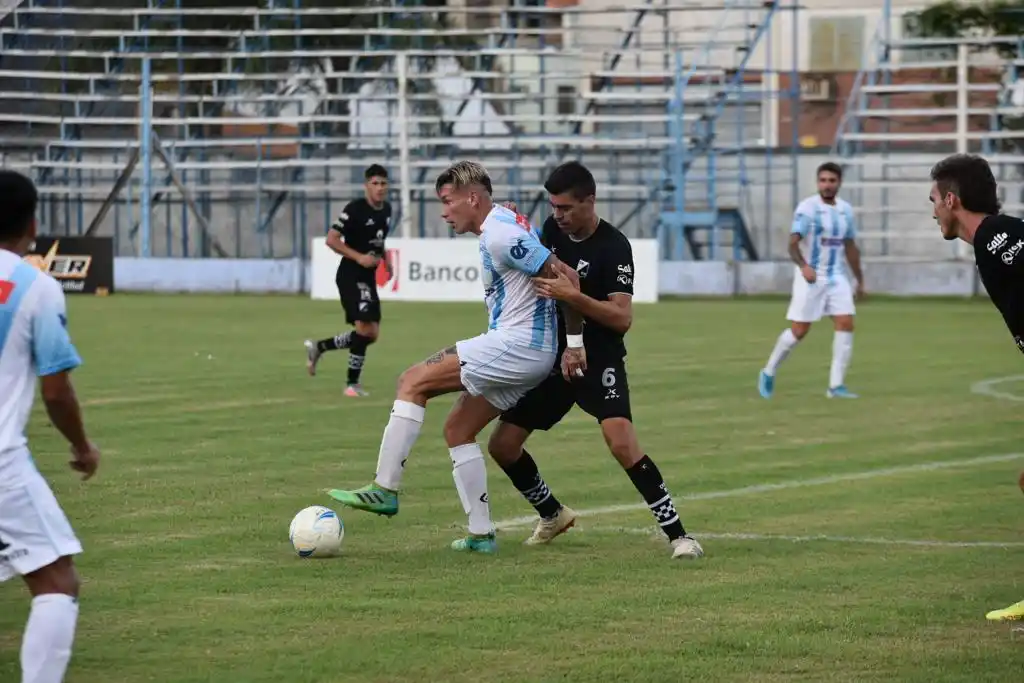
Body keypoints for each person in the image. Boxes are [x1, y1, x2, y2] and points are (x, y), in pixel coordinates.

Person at [326, 160, 585, 554]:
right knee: (458, 430)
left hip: (520, 346)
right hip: (526, 351)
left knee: (412, 381)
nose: (444, 212)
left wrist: (575, 343)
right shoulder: (501, 223)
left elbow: (566, 274)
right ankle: (481, 534)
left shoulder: (498, 233)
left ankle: (384, 488)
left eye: (447, 202)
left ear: (473, 198)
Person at [489, 162, 704, 560]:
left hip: (599, 357)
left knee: (621, 442)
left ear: (590, 201)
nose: (558, 216)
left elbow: (621, 318)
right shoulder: (552, 232)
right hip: (552, 357)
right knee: (502, 446)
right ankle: (551, 513)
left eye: (567, 208)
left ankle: (679, 536)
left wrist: (576, 298)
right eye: (553, 207)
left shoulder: (614, 247)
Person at [0, 169, 100, 683]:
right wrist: (82, 446)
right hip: (1, 464)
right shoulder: (35, 287)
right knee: (57, 581)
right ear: (33, 223)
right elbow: (56, 390)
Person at [927, 152, 1024, 623]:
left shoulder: (997, 235)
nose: (932, 213)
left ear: (952, 198)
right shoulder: (992, 240)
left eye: (933, 201)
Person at [758, 162, 865, 399]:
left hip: (836, 276)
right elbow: (793, 243)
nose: (827, 185)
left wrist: (860, 279)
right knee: (799, 330)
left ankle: (835, 386)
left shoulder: (846, 210)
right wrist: (804, 266)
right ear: (818, 182)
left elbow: (850, 247)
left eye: (832, 181)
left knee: (846, 323)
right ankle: (768, 371)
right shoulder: (807, 209)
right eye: (823, 180)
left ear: (839, 183)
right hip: (812, 276)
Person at [305, 164, 394, 396]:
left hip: (368, 276)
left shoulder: (387, 210)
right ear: (366, 186)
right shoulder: (355, 209)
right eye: (375, 183)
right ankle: (351, 385)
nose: (380, 188)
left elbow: (379, 239)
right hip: (350, 274)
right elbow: (332, 239)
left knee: (371, 334)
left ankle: (320, 347)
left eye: (383, 183)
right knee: (364, 328)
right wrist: (359, 257)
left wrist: (386, 260)